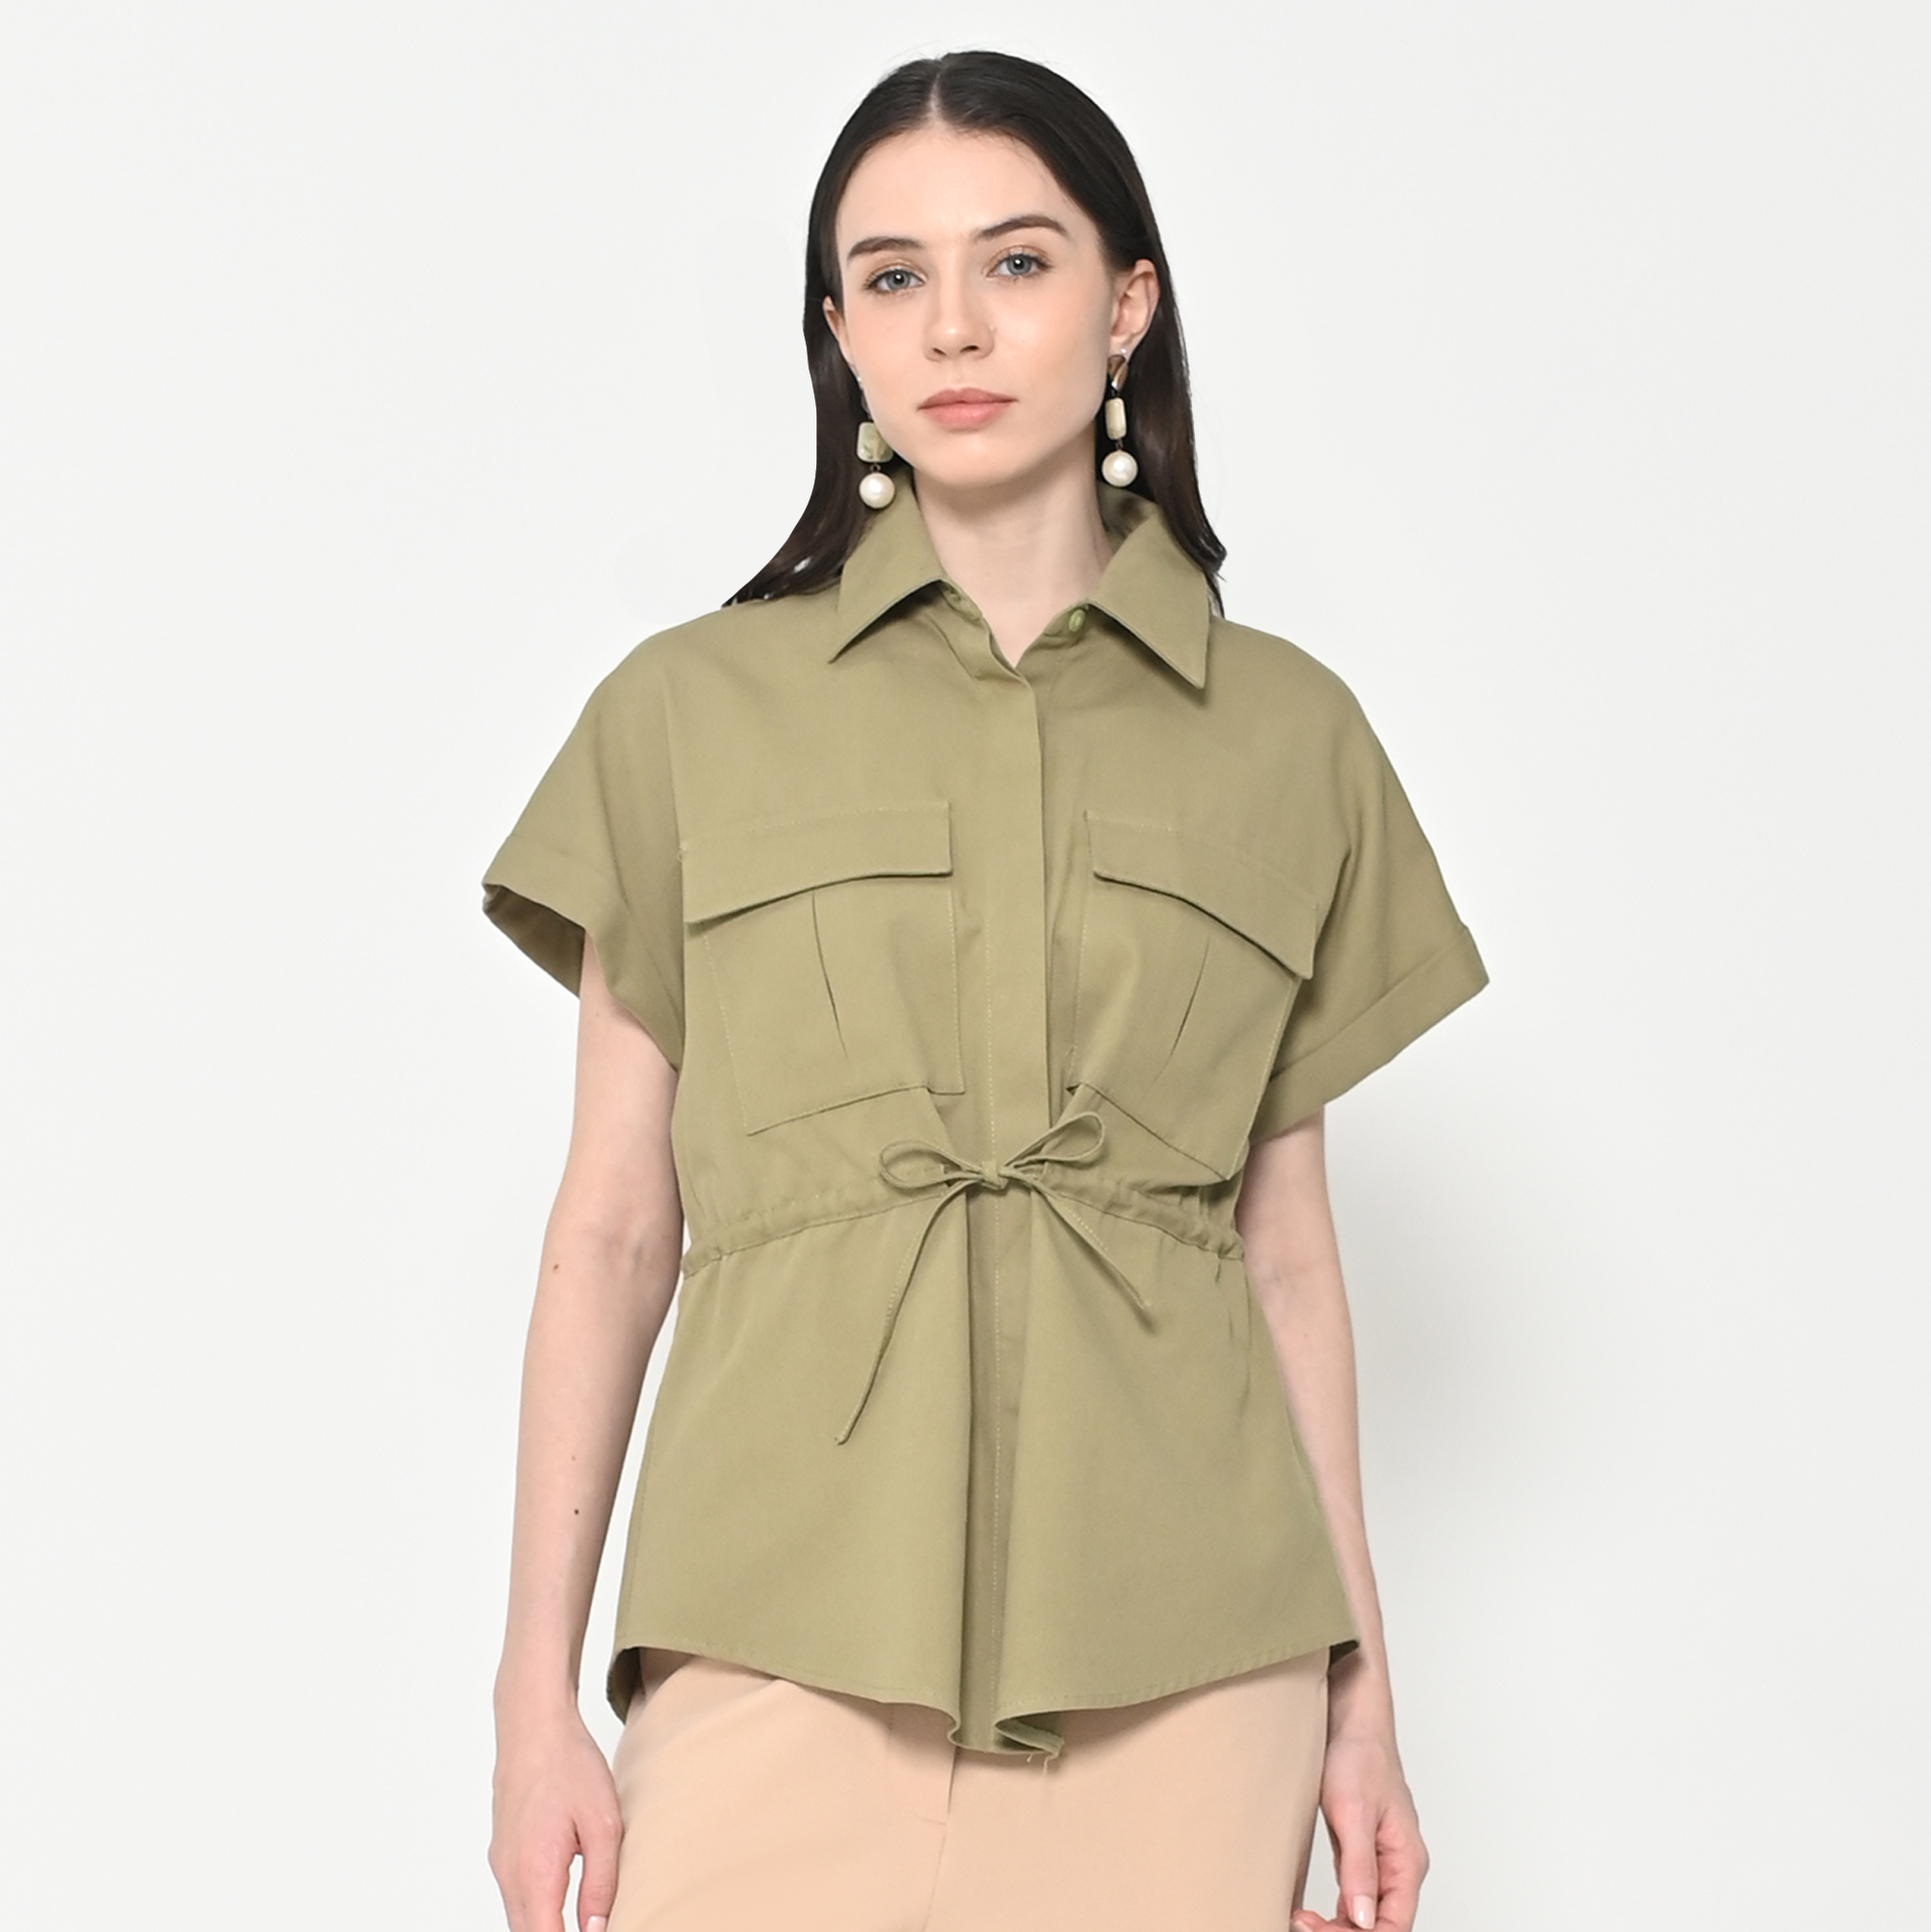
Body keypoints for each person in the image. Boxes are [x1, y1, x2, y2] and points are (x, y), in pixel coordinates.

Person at [480, 47, 1486, 1932]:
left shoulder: (1292, 738)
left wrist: (1364, 1708)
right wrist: (532, 1705)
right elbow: (611, 1225)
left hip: (1191, 1655)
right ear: (838, 333)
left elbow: (1286, 1256)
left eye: (1016, 261)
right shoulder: (684, 713)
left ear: (1126, 305)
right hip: (779, 1613)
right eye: (890, 275)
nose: (951, 323)